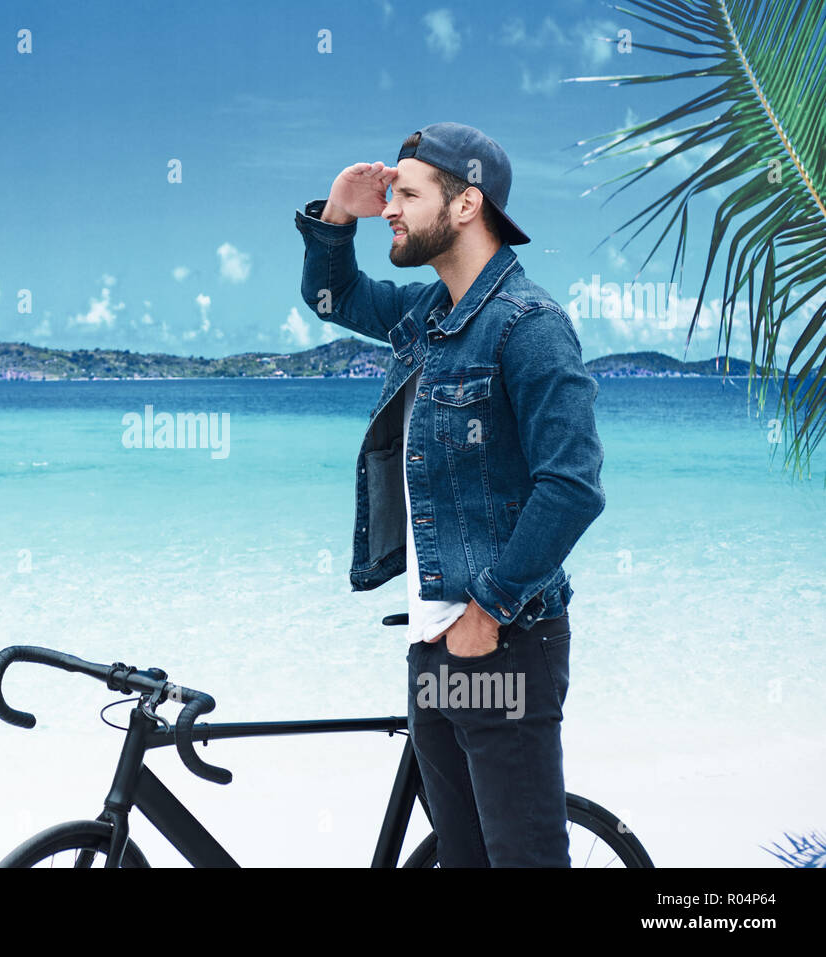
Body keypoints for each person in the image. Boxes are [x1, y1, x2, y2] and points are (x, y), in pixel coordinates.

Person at [294, 122, 606, 867]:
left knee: (521, 859)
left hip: (498, 642)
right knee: (463, 859)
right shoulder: (428, 316)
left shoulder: (530, 327)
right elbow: (335, 296)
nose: (390, 208)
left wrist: (489, 610)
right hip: (432, 641)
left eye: (406, 193)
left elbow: (573, 486)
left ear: (467, 205)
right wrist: (338, 214)